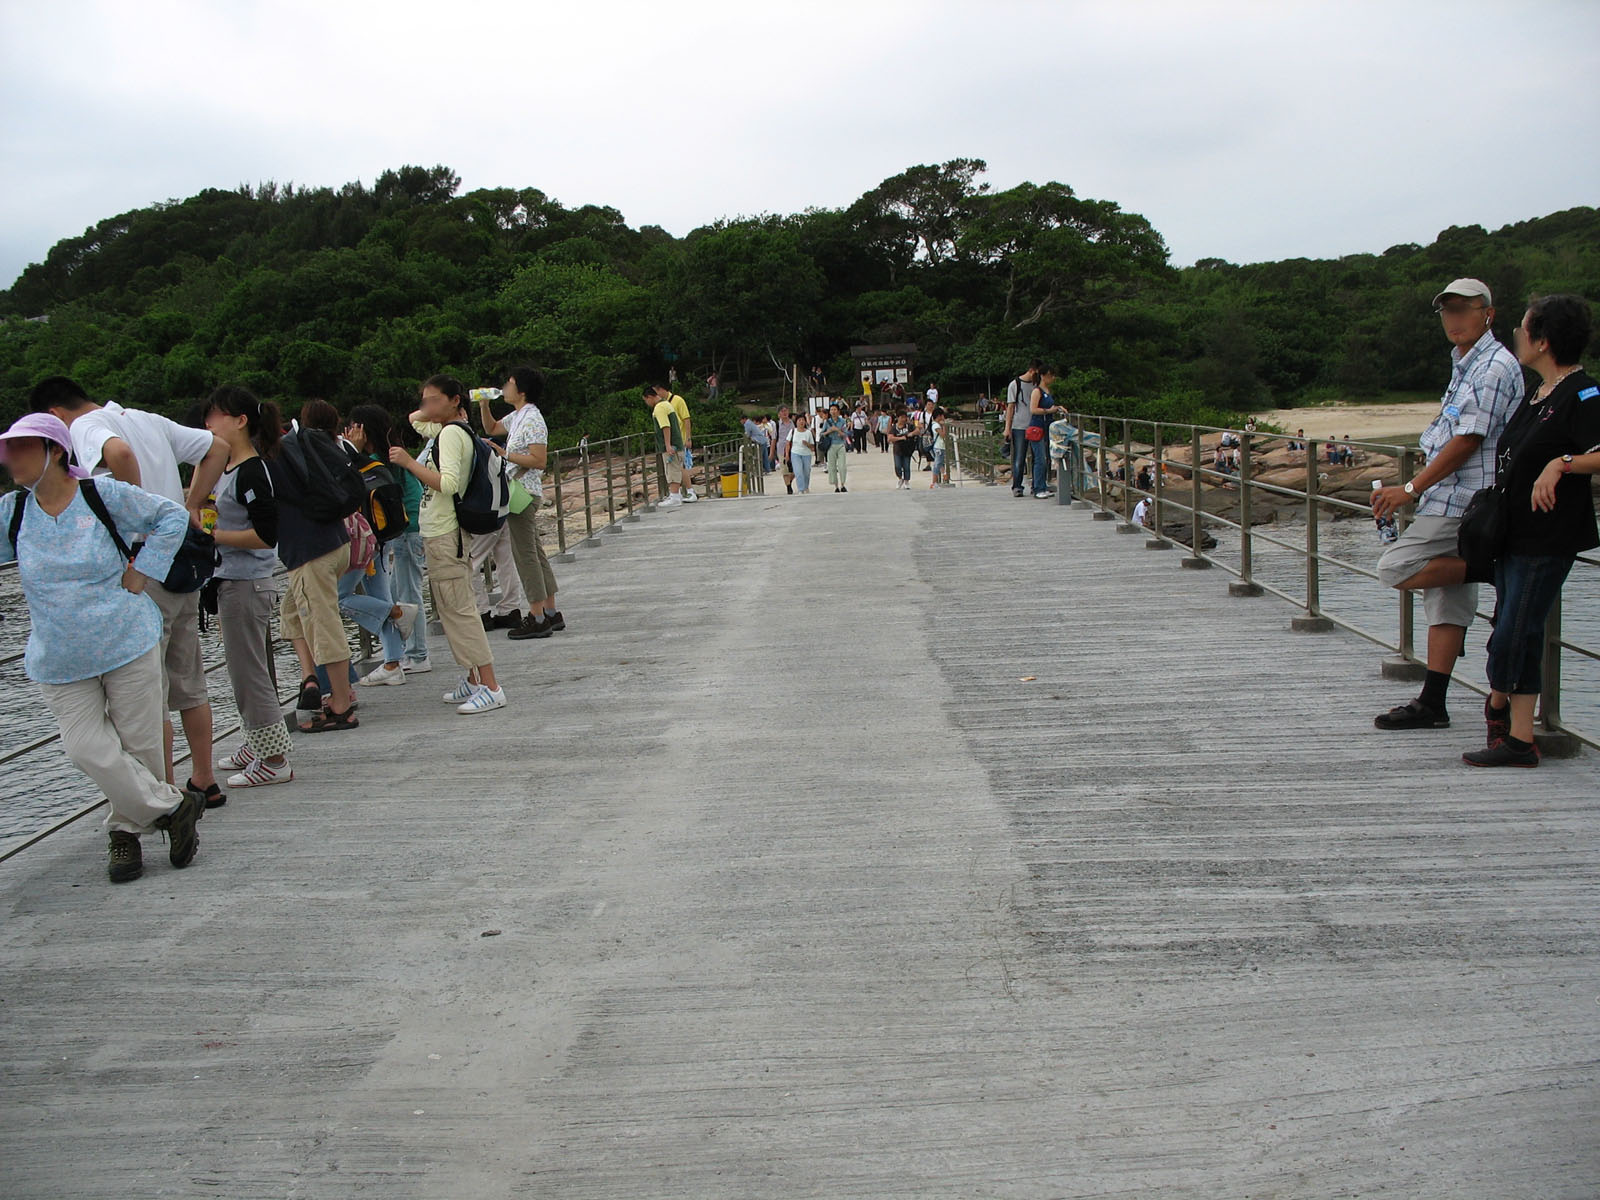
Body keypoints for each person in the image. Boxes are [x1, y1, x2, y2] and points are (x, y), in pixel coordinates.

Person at [0, 413, 204, 882]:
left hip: (124, 640)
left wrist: (144, 569)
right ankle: (173, 807)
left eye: (20, 447)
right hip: (59, 658)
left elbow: (171, 517)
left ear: (54, 451)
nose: (10, 457)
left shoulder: (99, 495)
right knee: (84, 748)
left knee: (141, 745)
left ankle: (125, 836)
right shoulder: (14, 511)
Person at [32, 376, 230, 808]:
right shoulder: (144, 418)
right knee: (190, 682)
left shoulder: (83, 427)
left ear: (54, 417)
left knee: (149, 693)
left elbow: (118, 454)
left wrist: (134, 517)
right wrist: (191, 503)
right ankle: (205, 778)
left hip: (145, 567)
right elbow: (217, 448)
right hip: (183, 563)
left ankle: (164, 794)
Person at [1372, 278, 1522, 732]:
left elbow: (1468, 440)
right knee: (1447, 602)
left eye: (1464, 309)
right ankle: (1433, 702)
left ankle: (1490, 566)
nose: (1454, 319)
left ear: (1488, 314)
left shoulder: (1494, 366)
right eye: (1447, 311)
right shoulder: (1465, 364)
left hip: (1464, 500)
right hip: (1450, 496)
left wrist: (1411, 489)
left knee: (1392, 567)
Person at [1463, 294, 1597, 767]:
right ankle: (1512, 728)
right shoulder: (1537, 393)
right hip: (1512, 535)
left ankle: (1509, 725)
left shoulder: (1582, 394)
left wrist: (1560, 465)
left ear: (1543, 340)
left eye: (1523, 328)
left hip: (1546, 538)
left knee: (1514, 633)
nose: (1517, 335)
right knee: (1514, 630)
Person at [389, 375, 509, 714]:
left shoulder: (453, 434)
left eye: (434, 399)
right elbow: (415, 419)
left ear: (455, 400)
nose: (426, 406)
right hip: (438, 532)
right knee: (452, 608)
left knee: (460, 610)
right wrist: (430, 407)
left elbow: (449, 483)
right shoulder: (448, 431)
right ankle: (474, 679)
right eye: (424, 399)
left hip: (446, 532)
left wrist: (409, 464)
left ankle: (491, 684)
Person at [202, 386, 295, 788]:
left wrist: (215, 535)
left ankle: (273, 759)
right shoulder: (227, 468)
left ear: (240, 421)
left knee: (249, 671)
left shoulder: (252, 470)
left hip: (245, 584)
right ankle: (255, 741)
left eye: (216, 415)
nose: (208, 423)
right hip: (232, 582)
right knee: (244, 668)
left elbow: (265, 534)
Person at [273, 415, 359, 733]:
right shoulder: (294, 442)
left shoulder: (270, 457)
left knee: (323, 624)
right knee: (292, 613)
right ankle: (311, 679)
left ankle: (341, 704)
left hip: (311, 551)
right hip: (331, 542)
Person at [477, 366, 563, 640]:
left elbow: (539, 460)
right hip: (521, 493)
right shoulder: (518, 416)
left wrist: (505, 455)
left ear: (522, 391)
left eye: (509, 383)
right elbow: (491, 427)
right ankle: (550, 612)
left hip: (522, 495)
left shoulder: (533, 419)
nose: (505, 386)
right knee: (535, 553)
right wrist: (483, 403)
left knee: (525, 555)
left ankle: (537, 616)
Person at [338, 405, 420, 684]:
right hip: (380, 541)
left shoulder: (364, 461)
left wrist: (350, 448)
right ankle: (392, 663)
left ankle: (397, 613)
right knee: (379, 596)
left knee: (341, 596)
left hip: (362, 543)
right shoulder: (384, 457)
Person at [386, 412, 432, 674]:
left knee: (408, 593)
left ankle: (417, 654)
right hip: (411, 527)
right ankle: (411, 651)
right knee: (398, 593)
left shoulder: (388, 458)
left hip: (408, 528)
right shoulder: (396, 454)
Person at [1004, 363, 1042, 497]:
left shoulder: (1037, 385)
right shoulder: (1015, 384)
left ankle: (1036, 485)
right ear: (1032, 370)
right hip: (1019, 426)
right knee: (1019, 458)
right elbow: (1010, 407)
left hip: (1035, 425)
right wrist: (1007, 428)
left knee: (1037, 457)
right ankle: (1017, 486)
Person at [646, 384, 687, 507]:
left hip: (671, 446)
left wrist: (668, 445)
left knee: (672, 469)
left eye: (645, 400)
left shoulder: (659, 408)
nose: (646, 403)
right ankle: (675, 494)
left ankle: (674, 497)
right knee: (675, 468)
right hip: (678, 444)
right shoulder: (667, 404)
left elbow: (665, 426)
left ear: (649, 397)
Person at [1026, 369, 1061, 498]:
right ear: (1043, 376)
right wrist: (1048, 410)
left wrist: (1057, 408)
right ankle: (1038, 488)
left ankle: (1042, 485)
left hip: (1047, 427)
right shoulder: (1037, 391)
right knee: (1040, 459)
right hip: (1037, 427)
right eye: (1050, 375)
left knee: (1046, 457)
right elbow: (1033, 409)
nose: (1052, 378)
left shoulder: (1047, 391)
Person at [822, 403, 849, 492]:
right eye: (831, 410)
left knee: (842, 466)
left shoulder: (843, 421)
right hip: (831, 445)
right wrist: (829, 431)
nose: (833, 412)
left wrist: (837, 430)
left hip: (840, 444)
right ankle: (836, 486)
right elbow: (821, 434)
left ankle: (843, 484)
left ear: (838, 411)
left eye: (835, 410)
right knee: (832, 467)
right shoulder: (827, 422)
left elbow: (845, 434)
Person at [788, 413, 816, 494]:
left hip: (806, 454)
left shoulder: (808, 432)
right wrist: (787, 454)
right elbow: (787, 443)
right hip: (795, 453)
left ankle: (806, 486)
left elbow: (812, 447)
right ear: (796, 422)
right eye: (799, 420)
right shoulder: (793, 431)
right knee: (798, 471)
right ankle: (801, 489)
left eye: (803, 420)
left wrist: (807, 444)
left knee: (806, 472)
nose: (801, 422)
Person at [889, 413, 917, 488]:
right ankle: (900, 478)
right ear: (898, 418)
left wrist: (912, 433)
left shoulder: (909, 426)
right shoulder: (894, 427)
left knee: (906, 466)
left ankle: (906, 481)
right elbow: (890, 438)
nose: (903, 419)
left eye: (905, 417)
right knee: (897, 466)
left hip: (907, 449)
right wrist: (900, 438)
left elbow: (917, 430)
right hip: (897, 450)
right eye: (902, 417)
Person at [775, 406, 796, 494]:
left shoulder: (792, 423)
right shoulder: (777, 425)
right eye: (782, 411)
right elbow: (774, 438)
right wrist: (772, 452)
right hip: (781, 449)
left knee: (795, 470)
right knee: (784, 470)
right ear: (779, 414)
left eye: (786, 410)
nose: (784, 413)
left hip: (793, 448)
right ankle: (788, 487)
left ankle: (789, 481)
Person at [928, 407, 949, 489]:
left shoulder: (935, 424)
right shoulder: (936, 425)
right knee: (937, 464)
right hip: (939, 447)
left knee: (940, 463)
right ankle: (934, 482)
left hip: (939, 446)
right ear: (939, 416)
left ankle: (944, 475)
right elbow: (943, 435)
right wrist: (944, 425)